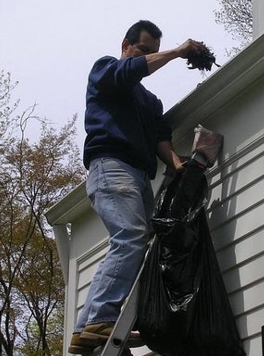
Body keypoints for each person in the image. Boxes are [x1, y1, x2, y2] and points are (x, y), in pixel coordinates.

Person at [68, 20, 204, 354]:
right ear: (126, 45)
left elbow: (160, 136)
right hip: (111, 165)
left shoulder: (150, 101)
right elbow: (129, 72)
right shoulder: (106, 70)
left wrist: (176, 164)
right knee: (129, 237)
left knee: (137, 244)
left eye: (152, 53)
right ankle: (101, 317)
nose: (147, 58)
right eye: (143, 51)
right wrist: (177, 52)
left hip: (140, 176)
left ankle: (88, 329)